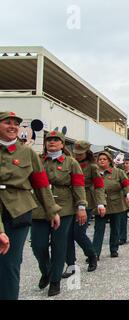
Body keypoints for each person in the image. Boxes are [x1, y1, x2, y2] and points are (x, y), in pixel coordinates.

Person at [0, 111, 61, 300]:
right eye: (7, 122)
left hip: (18, 210)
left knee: (9, 262)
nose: (12, 126)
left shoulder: (27, 152)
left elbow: (41, 184)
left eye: (16, 123)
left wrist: (52, 210)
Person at [31, 130, 87, 297]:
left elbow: (78, 185)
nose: (52, 142)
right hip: (39, 208)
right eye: (49, 140)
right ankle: (46, 270)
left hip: (64, 208)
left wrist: (81, 207)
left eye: (56, 140)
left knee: (59, 244)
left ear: (62, 144)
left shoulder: (71, 163)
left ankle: (55, 280)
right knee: (37, 245)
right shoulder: (38, 160)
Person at [63, 140, 106, 279]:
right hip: (69, 201)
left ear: (87, 152)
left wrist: (101, 203)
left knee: (78, 233)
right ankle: (70, 265)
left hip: (86, 201)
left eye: (81, 154)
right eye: (76, 153)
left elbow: (99, 186)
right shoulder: (69, 162)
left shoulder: (93, 167)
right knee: (68, 234)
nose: (78, 155)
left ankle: (92, 255)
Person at [92, 151, 129, 259]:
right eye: (100, 159)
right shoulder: (95, 172)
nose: (101, 161)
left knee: (115, 227)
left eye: (104, 159)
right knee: (99, 229)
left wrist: (128, 193)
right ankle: (95, 253)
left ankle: (114, 249)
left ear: (109, 161)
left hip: (116, 203)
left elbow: (126, 183)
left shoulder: (118, 172)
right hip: (100, 204)